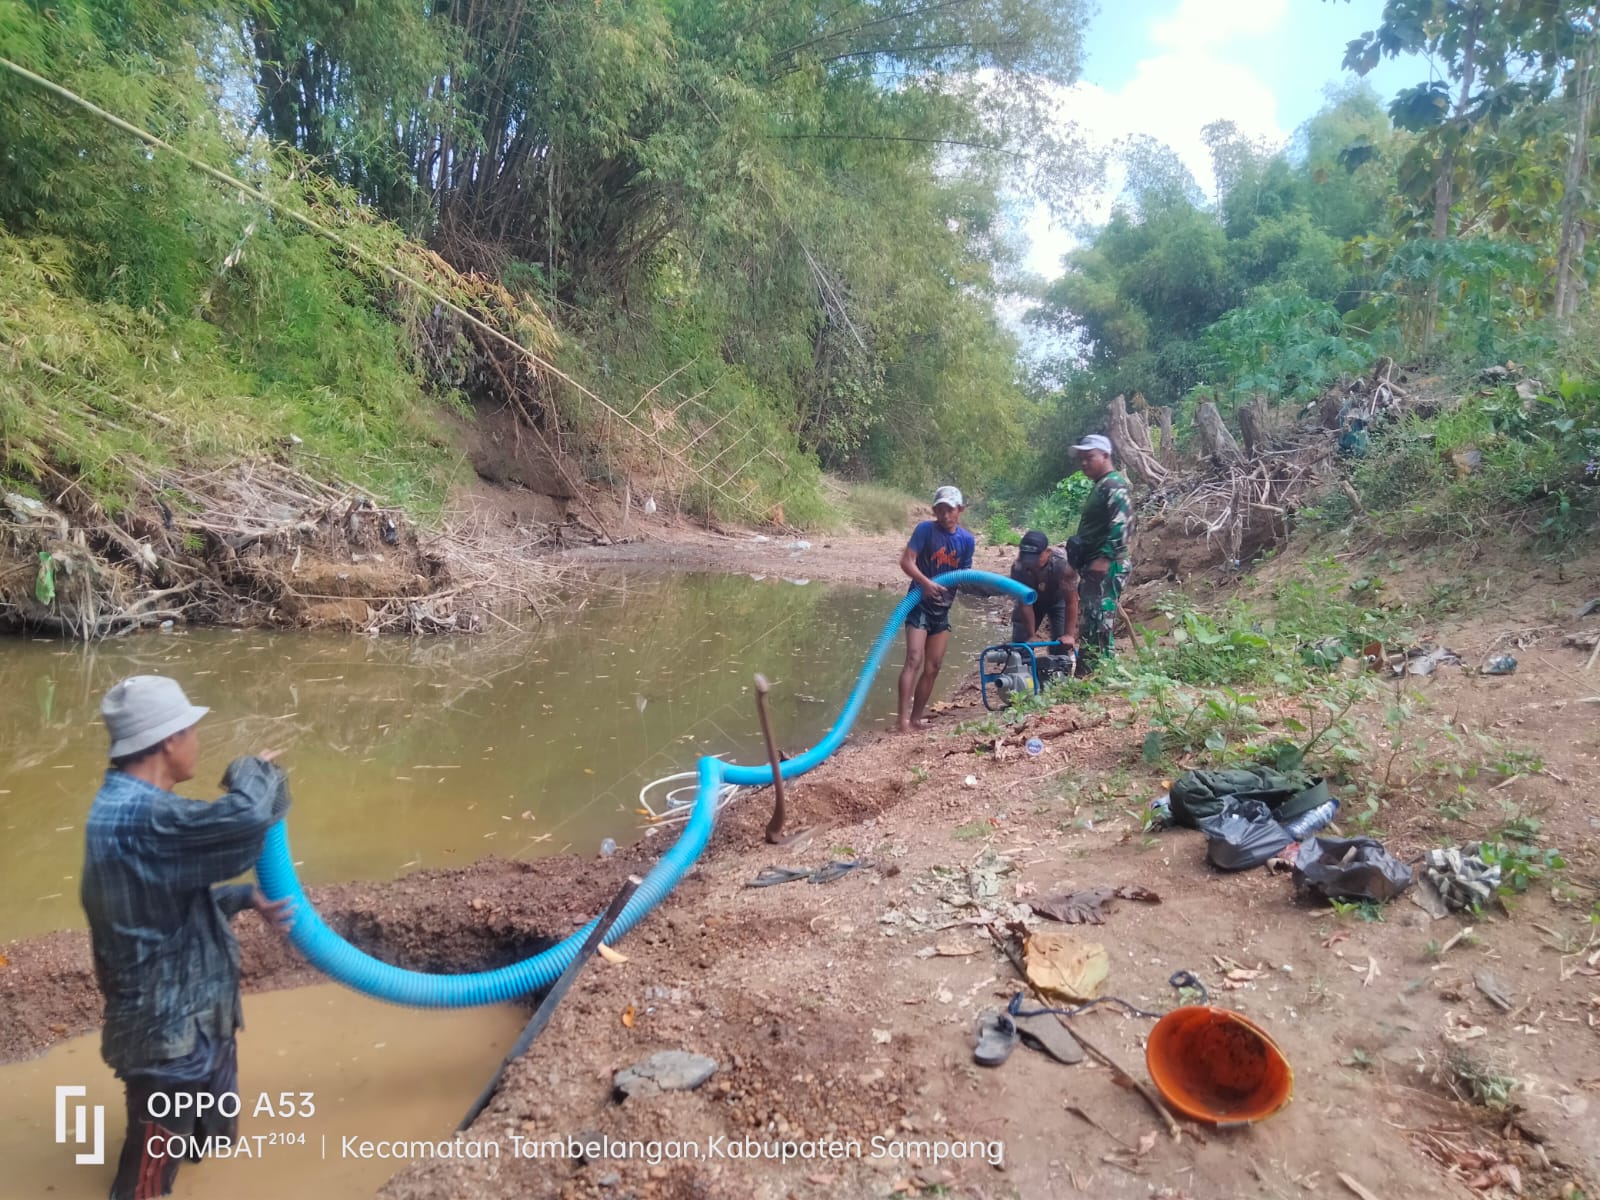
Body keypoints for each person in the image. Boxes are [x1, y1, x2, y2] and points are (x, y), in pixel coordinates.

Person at [81, 675, 295, 1200]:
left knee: (209, 1147)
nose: (199, 740)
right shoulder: (140, 816)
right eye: (193, 730)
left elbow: (155, 912)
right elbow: (246, 817)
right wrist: (254, 771)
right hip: (167, 1047)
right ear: (169, 740)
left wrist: (245, 897)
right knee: (145, 1185)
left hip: (203, 1026)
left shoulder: (133, 808)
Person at [897, 485, 975, 732]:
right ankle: (901, 720)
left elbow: (964, 574)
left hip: (943, 608)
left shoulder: (967, 540)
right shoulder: (925, 530)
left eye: (950, 510)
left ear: (959, 510)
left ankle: (917, 719)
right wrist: (926, 583)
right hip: (919, 603)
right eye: (940, 509)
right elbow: (906, 561)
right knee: (913, 658)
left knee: (933, 667)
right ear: (934, 510)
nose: (945, 515)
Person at [1067, 434, 1133, 669]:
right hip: (1094, 565)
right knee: (1092, 620)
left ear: (1105, 455)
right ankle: (1090, 670)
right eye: (1081, 459)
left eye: (1089, 457)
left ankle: (1101, 671)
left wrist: (1105, 557)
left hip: (1107, 565)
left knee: (1100, 620)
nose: (1084, 463)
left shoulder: (1113, 484)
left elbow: (1122, 523)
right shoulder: (1102, 485)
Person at [1008, 529, 1079, 649]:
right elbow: (1025, 604)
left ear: (1048, 552)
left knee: (1061, 642)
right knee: (1021, 642)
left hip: (1058, 599)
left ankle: (1059, 663)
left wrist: (1069, 635)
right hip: (1031, 600)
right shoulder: (1018, 568)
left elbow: (1071, 601)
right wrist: (1031, 635)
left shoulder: (1062, 565)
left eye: (1036, 558)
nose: (1032, 563)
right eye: (1028, 559)